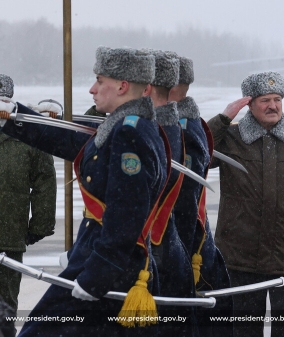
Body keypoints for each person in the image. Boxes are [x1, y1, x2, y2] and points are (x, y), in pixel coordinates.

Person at [0, 46, 168, 336]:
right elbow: (72, 142)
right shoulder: (125, 126)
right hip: (105, 261)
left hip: (107, 267)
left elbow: (127, 212)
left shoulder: (129, 133)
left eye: (99, 81)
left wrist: (97, 275)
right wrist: (14, 115)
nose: (92, 89)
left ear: (122, 86)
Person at [207, 71, 284, 337]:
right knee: (243, 329)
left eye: (277, 99)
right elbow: (195, 152)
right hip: (240, 254)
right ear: (249, 104)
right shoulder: (230, 138)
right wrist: (223, 118)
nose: (273, 105)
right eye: (265, 99)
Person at [169, 54, 233, 337]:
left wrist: (175, 256)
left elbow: (184, 205)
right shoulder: (175, 124)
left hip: (185, 250)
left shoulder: (182, 129)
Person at [143, 49, 199, 336]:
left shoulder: (178, 128)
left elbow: (185, 204)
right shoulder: (165, 125)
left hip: (163, 248)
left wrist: (186, 252)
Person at [0, 74, 57, 315]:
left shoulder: (30, 133)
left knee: (5, 304)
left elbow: (45, 180)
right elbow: (45, 180)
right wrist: (39, 227)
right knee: (5, 304)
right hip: (10, 234)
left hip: (10, 235)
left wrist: (40, 226)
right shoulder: (29, 134)